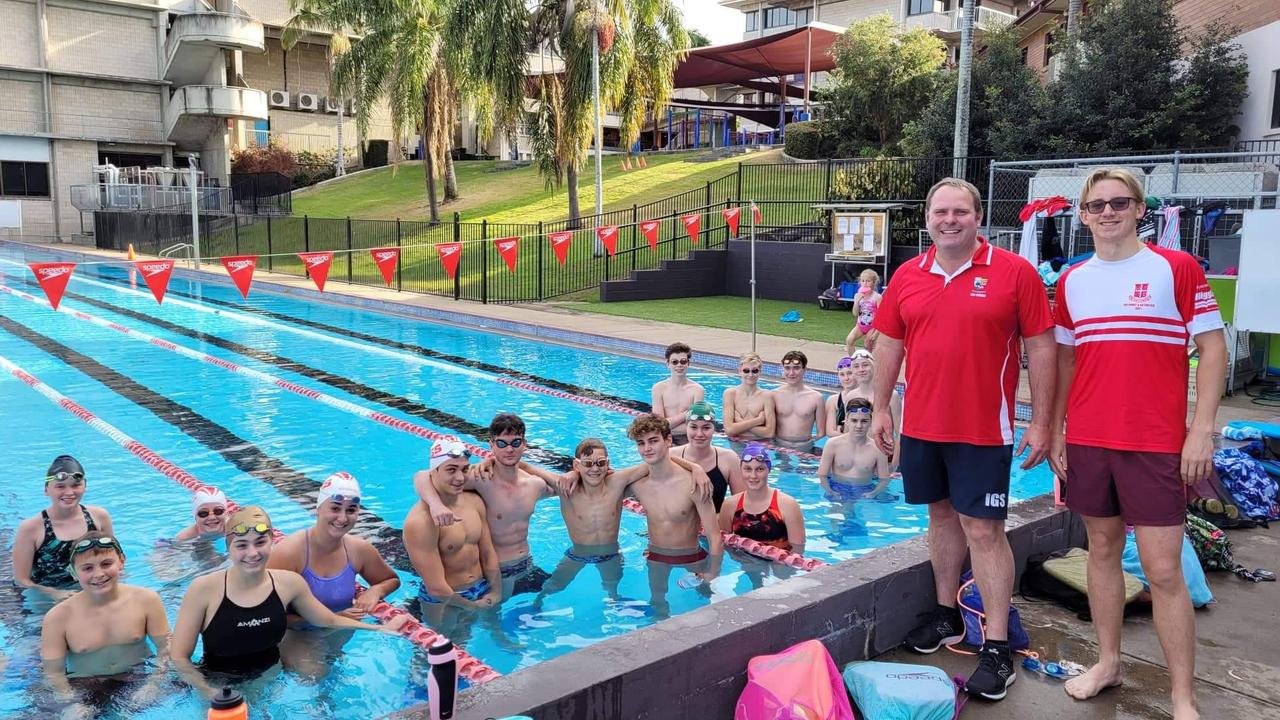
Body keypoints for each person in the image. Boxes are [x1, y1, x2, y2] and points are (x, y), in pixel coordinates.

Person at [1049, 168, 1226, 720]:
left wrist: (1201, 429)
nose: (1108, 212)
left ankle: (1182, 696)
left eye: (1119, 202)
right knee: (1101, 551)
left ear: (1139, 209)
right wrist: (1056, 429)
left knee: (1164, 570)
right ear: (1083, 214)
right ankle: (1108, 663)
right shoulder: (1074, 280)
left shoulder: (1175, 268)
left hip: (1154, 443)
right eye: (1097, 205)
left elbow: (1213, 350)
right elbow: (1066, 361)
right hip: (1091, 440)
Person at [870, 177, 1056, 701]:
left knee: (984, 529)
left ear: (978, 217)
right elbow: (889, 344)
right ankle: (947, 613)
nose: (949, 220)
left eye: (960, 212)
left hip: (983, 426)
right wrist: (882, 408)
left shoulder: (1013, 273)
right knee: (941, 516)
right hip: (924, 425)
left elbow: (1041, 348)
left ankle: (996, 646)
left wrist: (1041, 421)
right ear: (927, 218)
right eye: (940, 212)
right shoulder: (908, 275)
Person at [170, 506, 407, 697]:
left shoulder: (288, 584)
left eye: (260, 542)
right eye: (241, 545)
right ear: (228, 547)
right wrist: (207, 691)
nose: (252, 553)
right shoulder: (203, 589)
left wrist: (380, 628)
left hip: (270, 678)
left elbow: (329, 620)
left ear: (272, 542)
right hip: (217, 682)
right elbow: (179, 657)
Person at [416, 413, 554, 597]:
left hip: (527, 564)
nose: (509, 449)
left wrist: (528, 467)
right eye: (501, 443)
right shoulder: (480, 478)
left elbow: (567, 486)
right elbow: (423, 476)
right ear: (491, 445)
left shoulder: (534, 485)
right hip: (496, 571)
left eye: (515, 442)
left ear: (524, 444)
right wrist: (435, 505)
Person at [40, 532, 170, 716]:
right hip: (85, 686)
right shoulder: (57, 618)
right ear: (73, 572)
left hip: (137, 676)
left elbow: (166, 648)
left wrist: (155, 683)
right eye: (87, 568)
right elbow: (54, 673)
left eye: (106, 564)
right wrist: (70, 702)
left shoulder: (146, 600)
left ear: (122, 561)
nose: (98, 574)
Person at [625, 414, 723, 618]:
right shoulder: (637, 484)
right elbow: (597, 484)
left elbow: (714, 536)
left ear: (668, 440)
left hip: (692, 557)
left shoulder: (695, 483)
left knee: (703, 606)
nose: (647, 448)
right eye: (641, 443)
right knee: (657, 603)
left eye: (653, 441)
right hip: (655, 556)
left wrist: (713, 572)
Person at [268, 471, 400, 618]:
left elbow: (391, 580)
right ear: (318, 509)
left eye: (350, 510)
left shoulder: (359, 550)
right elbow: (268, 615)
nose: (343, 518)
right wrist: (335, 620)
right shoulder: (289, 553)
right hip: (299, 638)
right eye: (335, 508)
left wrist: (376, 591)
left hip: (342, 636)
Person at [404, 438, 502, 610]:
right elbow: (436, 588)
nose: (459, 478)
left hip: (482, 587)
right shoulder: (420, 522)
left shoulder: (474, 501)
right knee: (453, 637)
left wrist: (496, 592)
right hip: (444, 601)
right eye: (451, 470)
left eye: (464, 469)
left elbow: (488, 554)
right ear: (433, 471)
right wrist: (472, 607)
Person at [13, 456, 114, 600]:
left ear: (85, 486)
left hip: (92, 591)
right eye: (60, 486)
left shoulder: (99, 517)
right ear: (46, 490)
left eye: (75, 485)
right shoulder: (30, 528)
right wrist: (53, 594)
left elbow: (112, 560)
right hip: (46, 598)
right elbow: (21, 580)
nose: (69, 492)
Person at [718, 443, 805, 553]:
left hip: (780, 567)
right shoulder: (730, 505)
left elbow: (798, 550)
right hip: (744, 564)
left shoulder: (788, 505)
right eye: (748, 469)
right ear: (741, 470)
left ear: (769, 470)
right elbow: (726, 545)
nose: (753, 476)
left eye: (759, 469)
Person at [825, 351, 902, 457]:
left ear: (874, 367)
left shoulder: (891, 396)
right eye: (856, 366)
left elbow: (900, 434)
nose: (861, 370)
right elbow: (849, 433)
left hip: (882, 455)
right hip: (856, 456)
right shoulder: (850, 397)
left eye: (865, 365)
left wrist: (894, 464)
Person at [672, 401, 744, 512]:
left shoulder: (729, 459)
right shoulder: (670, 455)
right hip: (679, 527)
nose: (699, 434)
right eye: (694, 427)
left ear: (714, 429)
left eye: (706, 428)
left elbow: (740, 505)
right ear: (686, 427)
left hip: (715, 526)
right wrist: (694, 467)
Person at [818, 398, 893, 501]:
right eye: (854, 420)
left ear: (871, 422)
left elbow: (884, 479)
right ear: (846, 420)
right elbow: (822, 475)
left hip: (866, 490)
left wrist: (873, 493)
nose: (859, 426)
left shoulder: (878, 448)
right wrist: (830, 491)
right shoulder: (832, 444)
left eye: (864, 421)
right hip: (837, 488)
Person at [651, 342, 706, 445]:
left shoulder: (697, 390)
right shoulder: (659, 388)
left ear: (688, 363)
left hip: (689, 440)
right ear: (668, 364)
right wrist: (687, 413)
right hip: (665, 440)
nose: (679, 365)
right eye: (674, 362)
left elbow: (695, 425)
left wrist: (668, 424)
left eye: (683, 361)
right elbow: (659, 426)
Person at [770, 350, 826, 451]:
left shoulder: (816, 398)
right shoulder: (773, 395)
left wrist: (806, 445)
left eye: (796, 368)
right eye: (787, 368)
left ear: (805, 369)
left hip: (805, 447)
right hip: (779, 446)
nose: (791, 373)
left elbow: (821, 433)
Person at [723, 352, 776, 440]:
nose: (750, 375)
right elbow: (729, 431)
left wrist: (740, 422)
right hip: (736, 444)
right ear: (740, 371)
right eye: (746, 371)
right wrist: (758, 421)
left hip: (759, 446)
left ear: (760, 372)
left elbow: (769, 433)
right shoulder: (730, 394)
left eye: (754, 371)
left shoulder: (767, 396)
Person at [844, 268, 883, 355]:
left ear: (873, 283)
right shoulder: (857, 296)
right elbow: (855, 313)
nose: (865, 284)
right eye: (863, 281)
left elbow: (882, 317)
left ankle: (868, 364)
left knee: (867, 344)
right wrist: (857, 301)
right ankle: (853, 362)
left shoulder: (877, 297)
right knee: (849, 340)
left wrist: (877, 332)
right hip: (860, 325)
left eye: (868, 281)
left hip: (873, 326)